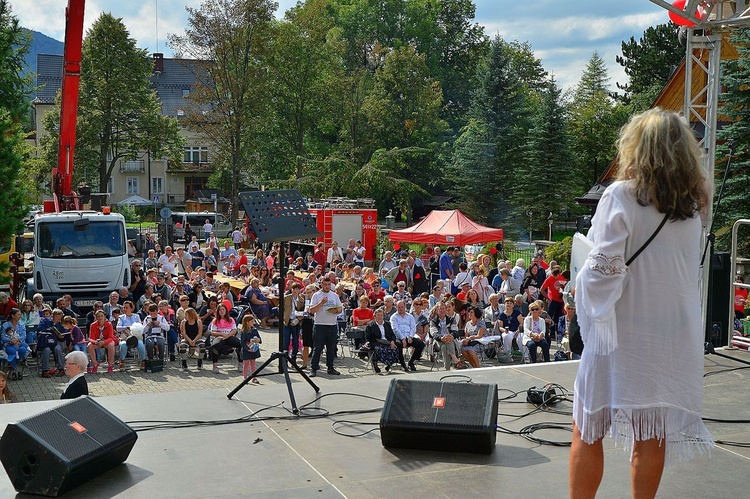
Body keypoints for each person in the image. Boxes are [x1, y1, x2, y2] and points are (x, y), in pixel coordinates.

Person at [569, 108, 714, 499]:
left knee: (587, 425)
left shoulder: (621, 195)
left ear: (636, 148)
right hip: (672, 333)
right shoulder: (696, 199)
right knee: (652, 431)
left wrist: (578, 287)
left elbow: (603, 272)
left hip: (621, 331)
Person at [308, 277, 342, 377]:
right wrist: (321, 303)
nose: (327, 287)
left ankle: (330, 367)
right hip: (320, 325)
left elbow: (340, 308)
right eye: (325, 285)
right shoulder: (316, 295)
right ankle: (314, 368)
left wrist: (335, 311)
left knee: (331, 348)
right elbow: (312, 310)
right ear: (321, 284)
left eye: (329, 285)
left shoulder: (334, 295)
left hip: (332, 325)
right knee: (318, 348)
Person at [209, 303, 242, 374]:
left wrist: (228, 335)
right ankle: (215, 365)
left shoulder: (231, 320)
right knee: (215, 346)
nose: (222, 311)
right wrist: (222, 334)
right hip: (220, 336)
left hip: (229, 336)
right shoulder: (215, 320)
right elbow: (213, 332)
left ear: (226, 311)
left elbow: (234, 330)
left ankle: (240, 363)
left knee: (240, 344)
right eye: (220, 310)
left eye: (223, 309)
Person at [365, 307, 399, 373]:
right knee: (380, 349)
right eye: (378, 315)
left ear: (383, 316)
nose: (380, 317)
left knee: (395, 348)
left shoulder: (387, 324)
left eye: (381, 315)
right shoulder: (370, 325)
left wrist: (392, 341)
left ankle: (389, 365)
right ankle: (375, 364)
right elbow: (368, 337)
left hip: (387, 342)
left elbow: (392, 335)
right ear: (375, 316)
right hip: (376, 342)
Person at [2, 308, 28, 380]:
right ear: (13, 316)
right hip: (9, 344)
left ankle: (11, 369)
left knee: (23, 350)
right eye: (18, 315)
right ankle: (11, 370)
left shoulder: (21, 325)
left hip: (19, 343)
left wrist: (17, 340)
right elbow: (2, 337)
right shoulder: (5, 325)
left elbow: (24, 335)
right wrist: (11, 340)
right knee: (12, 351)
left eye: (20, 315)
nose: (20, 316)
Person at [239, 314, 262, 383]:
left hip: (254, 349)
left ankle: (254, 377)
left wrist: (258, 340)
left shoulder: (254, 330)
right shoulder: (243, 331)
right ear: (247, 322)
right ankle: (245, 377)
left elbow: (260, 339)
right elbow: (242, 342)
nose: (253, 323)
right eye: (252, 321)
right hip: (247, 350)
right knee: (246, 363)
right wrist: (248, 349)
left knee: (253, 363)